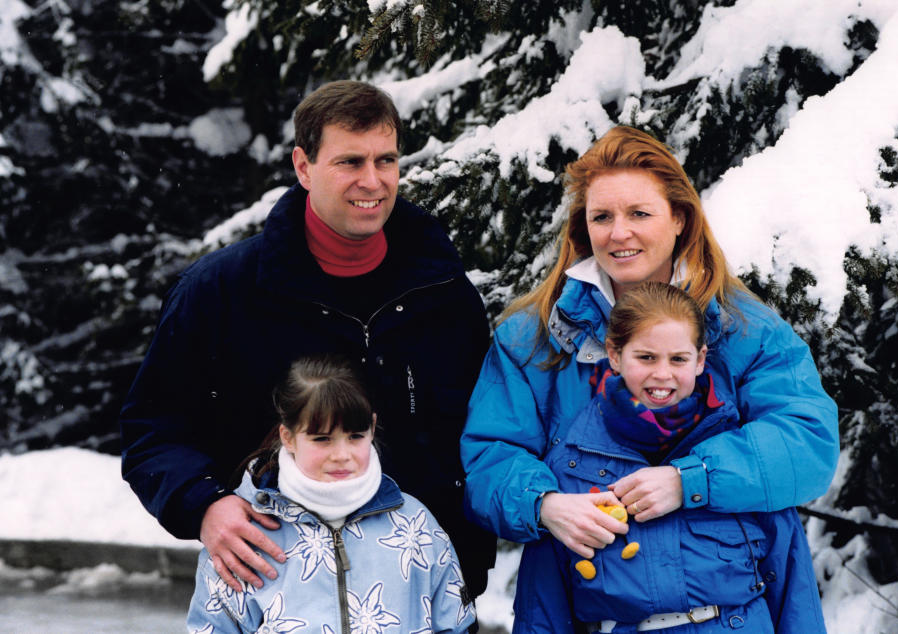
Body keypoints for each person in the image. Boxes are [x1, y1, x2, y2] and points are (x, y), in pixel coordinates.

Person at [120, 80, 495, 601]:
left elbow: (489, 431)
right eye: (350, 162)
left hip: (428, 598)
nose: (373, 181)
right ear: (303, 166)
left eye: (385, 160)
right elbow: (152, 429)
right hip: (281, 594)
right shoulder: (221, 292)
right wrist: (204, 504)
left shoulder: (442, 291)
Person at [460, 126, 838, 627]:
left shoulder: (744, 328)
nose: (619, 233)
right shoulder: (534, 337)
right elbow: (489, 456)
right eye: (602, 217)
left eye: (639, 213)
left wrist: (693, 479)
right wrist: (544, 503)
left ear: (679, 218)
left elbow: (805, 440)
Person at [511, 282, 824, 632]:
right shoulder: (572, 465)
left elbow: (793, 587)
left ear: (700, 360)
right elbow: (543, 609)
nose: (662, 374)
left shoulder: (742, 455)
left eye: (678, 359)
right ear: (614, 355)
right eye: (646, 357)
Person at [187, 356, 475, 633]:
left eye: (355, 436)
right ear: (288, 437)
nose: (341, 455)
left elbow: (454, 622)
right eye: (322, 439)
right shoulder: (244, 532)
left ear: (372, 428)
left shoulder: (416, 524)